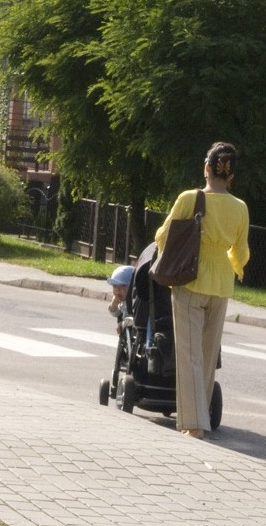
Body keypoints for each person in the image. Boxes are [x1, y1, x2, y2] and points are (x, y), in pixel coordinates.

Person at [155, 142, 249, 438]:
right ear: (231, 175)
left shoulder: (188, 198)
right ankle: (202, 417)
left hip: (190, 280)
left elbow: (163, 236)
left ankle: (195, 425)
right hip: (221, 284)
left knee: (189, 354)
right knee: (208, 356)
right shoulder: (240, 208)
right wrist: (234, 267)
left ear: (206, 168)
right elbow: (241, 252)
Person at [106, 264, 135, 333]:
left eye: (122, 286)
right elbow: (116, 313)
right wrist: (113, 305)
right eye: (114, 286)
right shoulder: (122, 301)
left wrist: (122, 323)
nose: (117, 290)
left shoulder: (134, 301)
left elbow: (135, 319)